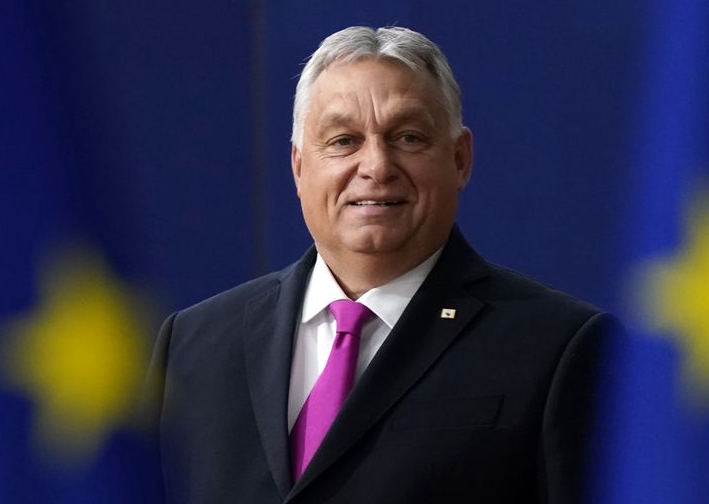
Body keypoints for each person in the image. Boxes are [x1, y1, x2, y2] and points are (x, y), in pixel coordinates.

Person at [144, 26, 619, 503]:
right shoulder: (192, 346)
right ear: (298, 166)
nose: (376, 165)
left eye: (408, 137)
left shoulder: (559, 348)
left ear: (460, 159)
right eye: (343, 141)